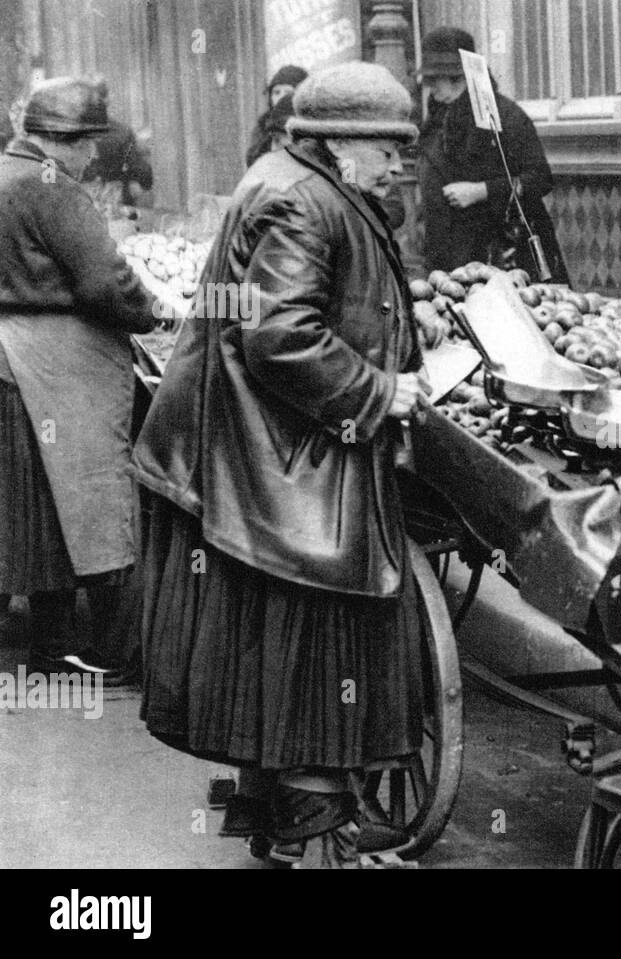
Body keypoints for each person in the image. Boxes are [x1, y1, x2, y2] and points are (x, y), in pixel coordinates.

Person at [131, 62, 436, 869]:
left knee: (273, 642)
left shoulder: (297, 180)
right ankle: (322, 838)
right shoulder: (301, 199)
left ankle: (274, 817)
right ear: (338, 141)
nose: (399, 163)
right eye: (388, 148)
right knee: (316, 637)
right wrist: (381, 390)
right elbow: (281, 337)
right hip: (277, 461)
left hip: (257, 448)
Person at [0, 78, 157, 683]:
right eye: (88, 144)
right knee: (92, 499)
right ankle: (100, 652)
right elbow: (103, 284)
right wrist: (151, 311)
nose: (94, 157)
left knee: (35, 507)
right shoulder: (53, 191)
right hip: (57, 362)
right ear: (61, 143)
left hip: (12, 360)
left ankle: (52, 646)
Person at [416, 27, 569, 283]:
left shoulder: (507, 117)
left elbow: (540, 178)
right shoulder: (436, 119)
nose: (430, 87)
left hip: (504, 253)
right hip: (449, 255)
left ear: (460, 77)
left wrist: (481, 190)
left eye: (435, 78)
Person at [81, 78, 153, 207]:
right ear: (107, 100)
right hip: (112, 200)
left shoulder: (70, 132)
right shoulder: (122, 131)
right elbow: (139, 170)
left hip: (87, 199)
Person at [246, 65, 308, 168]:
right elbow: (252, 160)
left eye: (288, 92)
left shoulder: (311, 121)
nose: (281, 97)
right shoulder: (263, 125)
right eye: (276, 92)